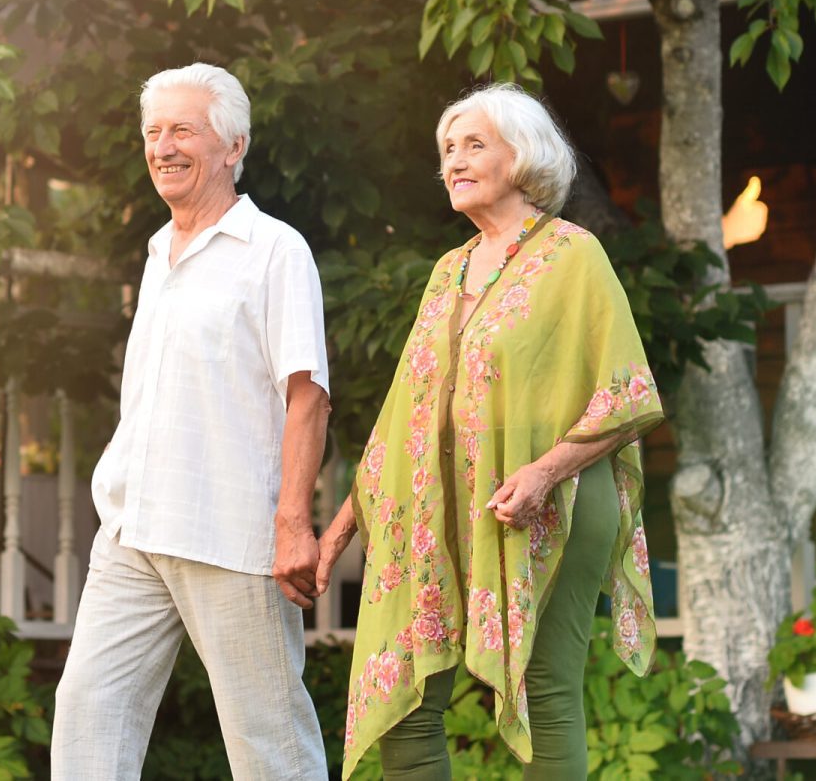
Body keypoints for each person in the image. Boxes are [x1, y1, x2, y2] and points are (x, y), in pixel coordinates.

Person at [317, 83, 664, 780]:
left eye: (475, 144)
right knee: (407, 692)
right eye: (448, 149)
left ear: (522, 155)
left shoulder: (573, 255)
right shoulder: (448, 272)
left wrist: (543, 473)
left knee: (547, 691)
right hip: (439, 508)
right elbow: (406, 411)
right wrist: (345, 521)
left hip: (550, 500)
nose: (455, 161)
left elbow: (627, 393)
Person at [51, 63, 333, 780]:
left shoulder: (275, 250)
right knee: (88, 721)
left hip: (231, 534)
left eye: (183, 129)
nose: (163, 146)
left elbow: (309, 396)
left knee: (269, 744)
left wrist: (294, 523)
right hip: (132, 530)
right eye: (153, 131)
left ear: (233, 145)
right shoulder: (156, 251)